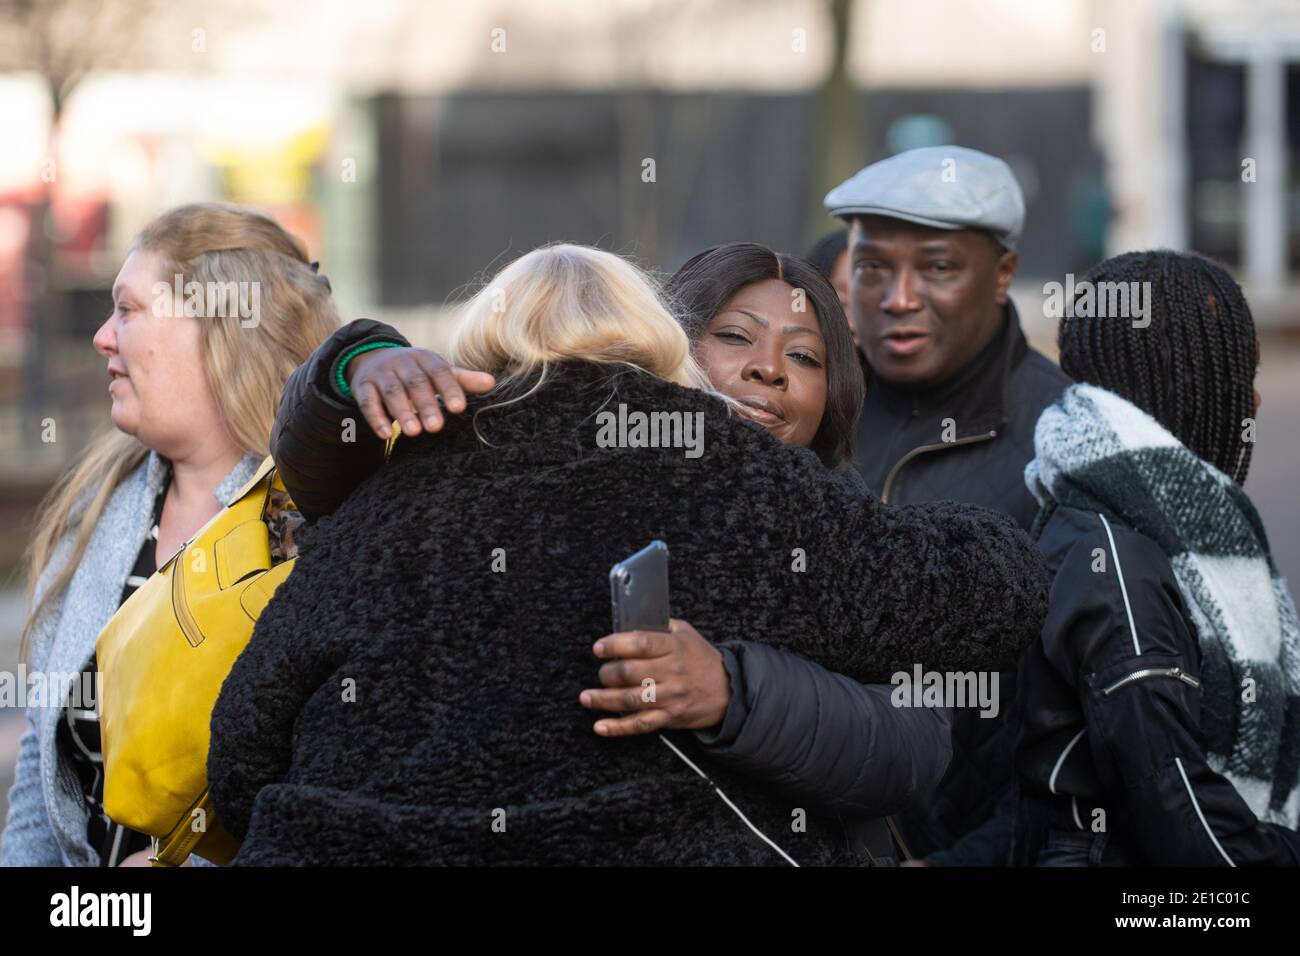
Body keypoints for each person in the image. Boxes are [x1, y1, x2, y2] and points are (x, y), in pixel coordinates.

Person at [206, 243, 1048, 865]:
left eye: (800, 356)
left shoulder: (381, 500)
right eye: (737, 341)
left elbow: (240, 757)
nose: (765, 375)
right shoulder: (734, 477)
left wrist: (733, 690)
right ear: (668, 340)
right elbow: (994, 590)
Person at [0, 203, 340, 867]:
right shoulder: (92, 514)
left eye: (127, 310)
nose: (102, 336)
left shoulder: (327, 526)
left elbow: (348, 793)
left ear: (217, 331)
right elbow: (42, 788)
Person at [823, 145, 1072, 865]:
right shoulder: (803, 414)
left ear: (1002, 276)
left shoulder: (1067, 436)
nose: (898, 297)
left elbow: (1094, 726)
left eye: (936, 267)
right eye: (873, 267)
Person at [1014, 250, 1300, 866]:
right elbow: (1179, 812)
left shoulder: (1108, 519)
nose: (1251, 401)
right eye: (1234, 375)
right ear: (1183, 388)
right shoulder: (1116, 560)